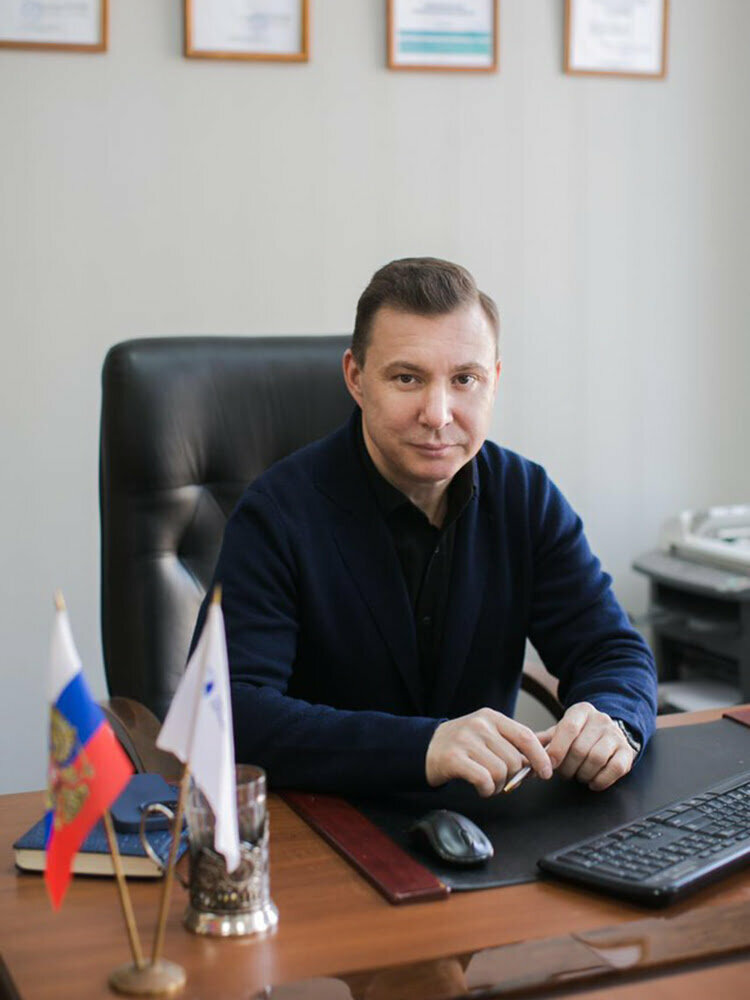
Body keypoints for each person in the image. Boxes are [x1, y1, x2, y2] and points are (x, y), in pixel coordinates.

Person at [193, 257, 657, 798]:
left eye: (465, 379)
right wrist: (422, 747)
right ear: (356, 378)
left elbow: (613, 651)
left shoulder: (525, 495)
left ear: (494, 381)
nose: (438, 414)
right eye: (407, 378)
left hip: (483, 820)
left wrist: (613, 720)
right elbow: (233, 712)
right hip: (329, 817)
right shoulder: (276, 513)